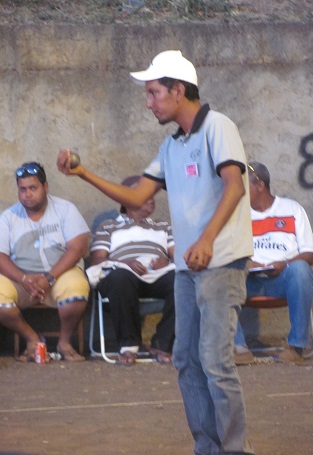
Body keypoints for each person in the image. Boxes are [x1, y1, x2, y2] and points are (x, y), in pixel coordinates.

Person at [57, 50, 254, 454]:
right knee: (186, 360)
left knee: (215, 362)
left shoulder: (219, 127)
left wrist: (206, 239)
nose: (148, 102)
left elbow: (234, 186)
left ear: (178, 91)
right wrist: (84, 173)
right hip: (187, 268)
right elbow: (136, 194)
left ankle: (235, 450)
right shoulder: (172, 146)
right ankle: (208, 447)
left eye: (153, 93)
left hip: (221, 263)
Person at [0, 162, 90, 362]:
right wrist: (23, 279)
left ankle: (64, 342)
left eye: (33, 188)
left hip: (59, 275)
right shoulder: (8, 217)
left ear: (45, 187)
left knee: (76, 290)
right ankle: (32, 339)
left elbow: (78, 248)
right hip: (23, 280)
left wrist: (49, 277)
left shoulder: (65, 209)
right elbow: (1, 256)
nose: (27, 194)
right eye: (22, 189)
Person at [234, 162, 313, 365]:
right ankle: (239, 348)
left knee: (300, 270)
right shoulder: (238, 215)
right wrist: (246, 262)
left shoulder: (292, 209)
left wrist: (285, 263)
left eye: (244, 185)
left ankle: (296, 347)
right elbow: (229, 252)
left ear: (259, 185)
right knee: (220, 277)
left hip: (282, 278)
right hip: (248, 280)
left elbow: (310, 255)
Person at [89, 175, 176, 365]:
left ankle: (163, 343)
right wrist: (124, 261)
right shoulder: (108, 226)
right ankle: (128, 345)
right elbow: (97, 260)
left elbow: (177, 255)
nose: (151, 198)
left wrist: (166, 259)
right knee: (120, 277)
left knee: (185, 280)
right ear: (125, 199)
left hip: (158, 274)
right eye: (144, 194)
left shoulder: (163, 226)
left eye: (152, 194)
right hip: (123, 274)